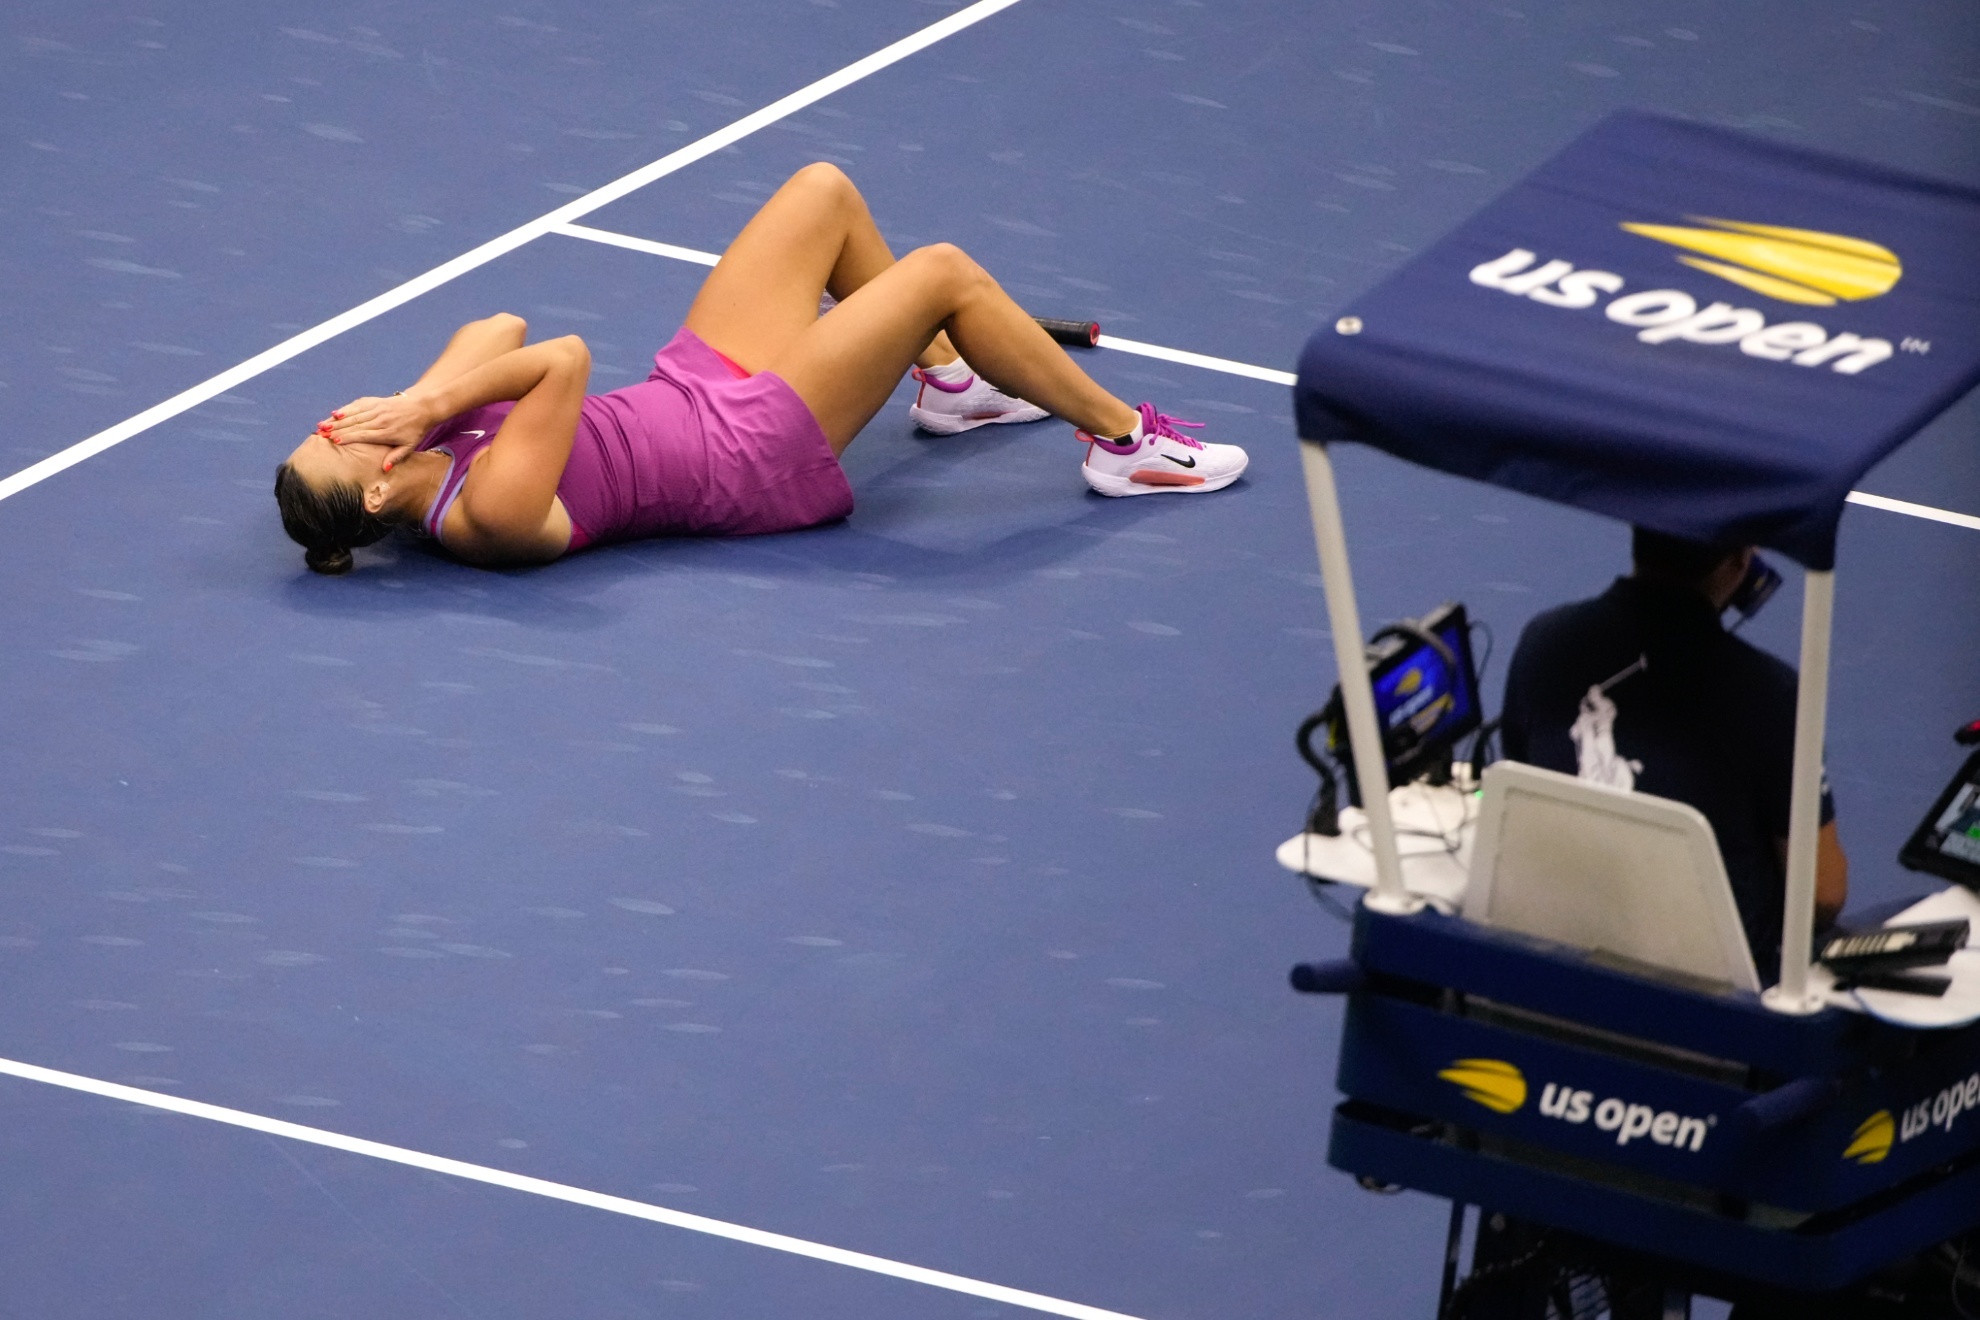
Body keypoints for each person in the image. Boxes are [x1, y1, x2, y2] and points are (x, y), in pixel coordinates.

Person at [274, 163, 1248, 574]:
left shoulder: (420, 440)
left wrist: (409, 405)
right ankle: (1126, 444)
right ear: (375, 497)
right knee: (941, 271)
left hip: (694, 386)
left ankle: (954, 386)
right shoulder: (486, 517)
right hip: (746, 456)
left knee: (822, 192)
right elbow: (561, 359)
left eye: (325, 425)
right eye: (343, 448)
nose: (341, 426)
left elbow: (502, 320)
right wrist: (435, 401)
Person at [1499, 526, 1848, 980]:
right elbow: (1820, 893)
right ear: (1741, 563)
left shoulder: (1543, 641)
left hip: (1549, 972)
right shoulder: (1772, 695)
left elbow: (1521, 797)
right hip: (1712, 1011)